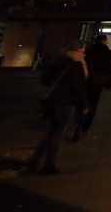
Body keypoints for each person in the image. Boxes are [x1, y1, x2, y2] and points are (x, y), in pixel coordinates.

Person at [24, 40, 89, 174]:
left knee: (52, 130)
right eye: (83, 49)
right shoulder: (77, 64)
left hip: (52, 100)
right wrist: (83, 104)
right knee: (58, 133)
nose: (84, 51)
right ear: (79, 50)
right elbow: (79, 87)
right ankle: (49, 163)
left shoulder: (59, 61)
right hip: (66, 102)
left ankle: (36, 157)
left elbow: (44, 80)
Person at [72, 33, 111, 139]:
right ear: (103, 41)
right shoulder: (107, 52)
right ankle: (86, 128)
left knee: (83, 103)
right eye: (106, 40)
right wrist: (108, 84)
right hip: (99, 81)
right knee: (93, 105)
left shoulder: (89, 50)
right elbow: (109, 68)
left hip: (86, 80)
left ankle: (78, 124)